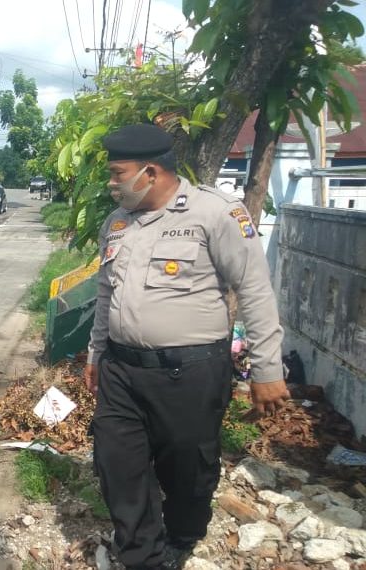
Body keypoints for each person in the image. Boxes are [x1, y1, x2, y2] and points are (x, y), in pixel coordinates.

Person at [84, 123, 289, 569]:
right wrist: (96, 353)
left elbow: (254, 289)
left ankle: (184, 531)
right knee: (117, 462)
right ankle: (143, 556)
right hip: (121, 368)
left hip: (191, 372)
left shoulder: (216, 213)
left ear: (151, 172)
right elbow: (106, 295)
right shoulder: (116, 223)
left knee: (188, 468)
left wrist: (267, 370)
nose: (112, 182)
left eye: (119, 173)